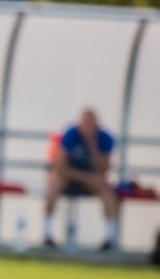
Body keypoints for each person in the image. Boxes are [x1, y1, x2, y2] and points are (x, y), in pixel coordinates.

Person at [44, 108, 121, 251]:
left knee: (106, 190)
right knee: (53, 185)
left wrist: (91, 145)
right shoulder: (70, 135)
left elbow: (103, 169)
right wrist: (86, 177)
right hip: (70, 178)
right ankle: (47, 234)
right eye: (85, 123)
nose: (88, 127)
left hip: (90, 181)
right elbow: (60, 168)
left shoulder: (104, 138)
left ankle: (109, 238)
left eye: (91, 123)